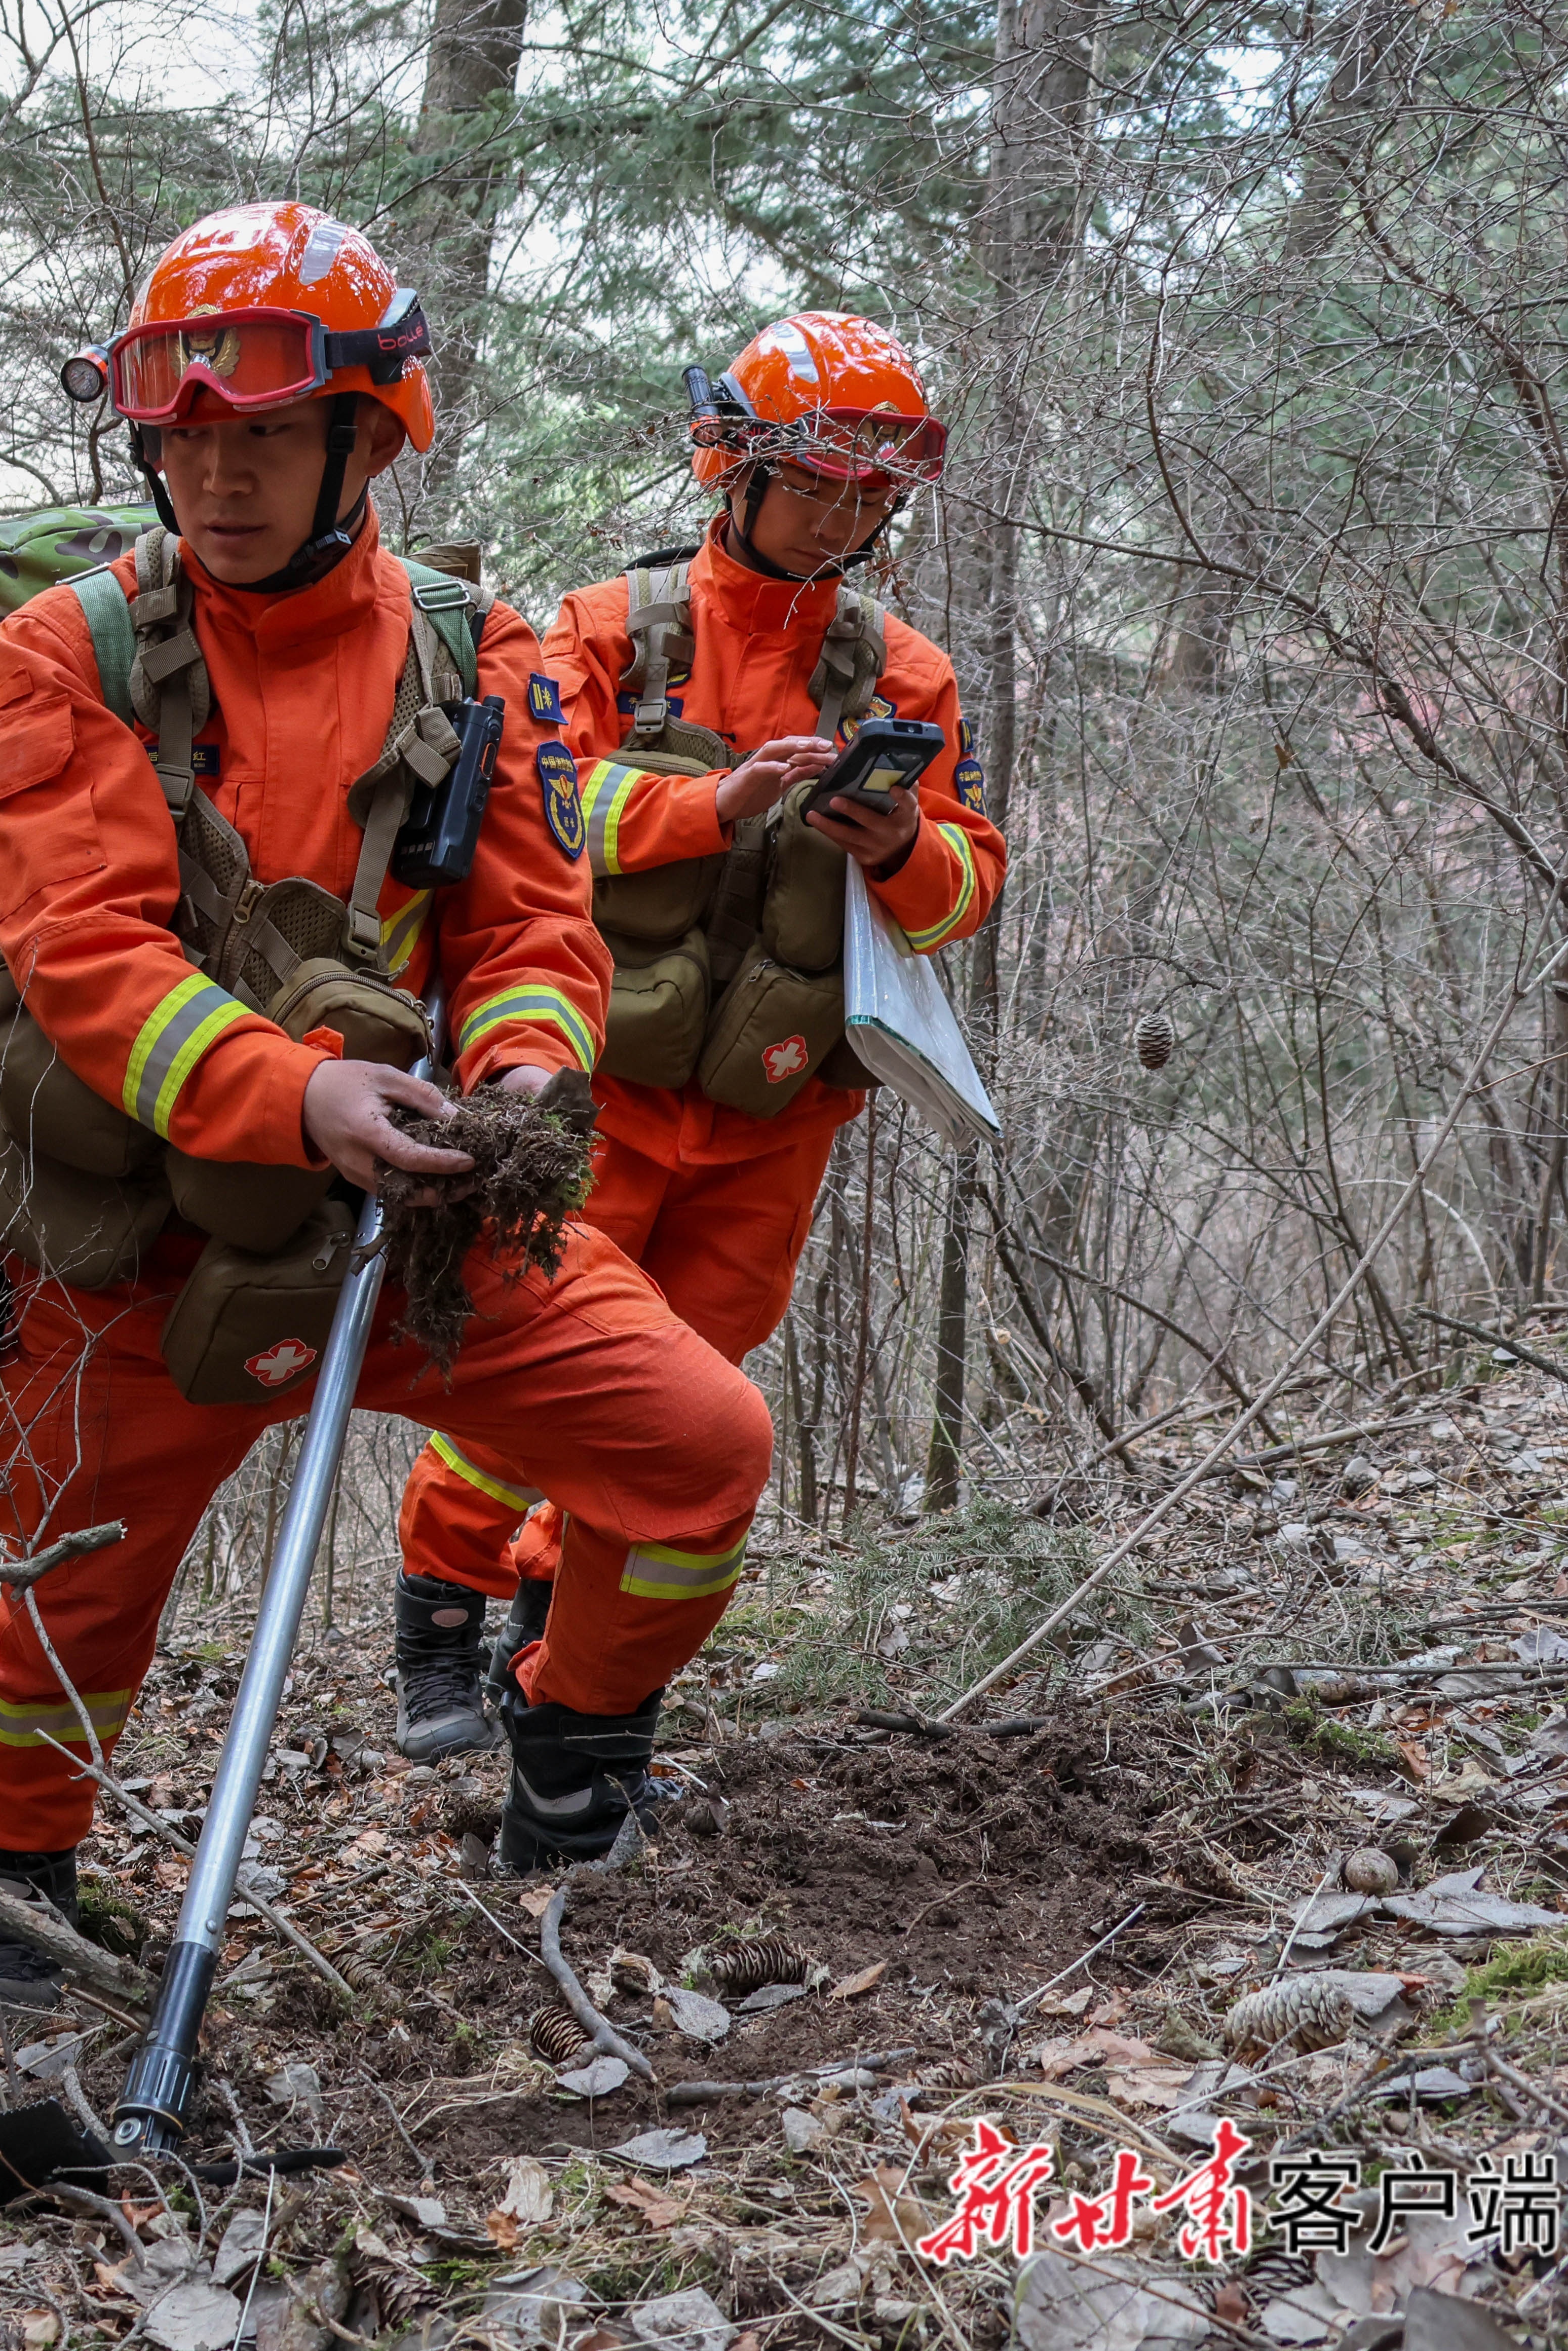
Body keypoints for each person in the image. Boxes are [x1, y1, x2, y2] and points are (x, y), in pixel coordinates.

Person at [0, 201, 778, 2006]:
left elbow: (537, 923)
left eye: (261, 437)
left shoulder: (488, 659)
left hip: (420, 1206)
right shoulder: (67, 655)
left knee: (701, 1452)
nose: (216, 477)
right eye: (186, 439)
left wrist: (532, 1068)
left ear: (365, 437)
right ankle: (9, 1891)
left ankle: (571, 1753)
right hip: (144, 1241)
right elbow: (84, 952)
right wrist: (293, 1094)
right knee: (75, 1601)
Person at [388, 310, 1007, 1760]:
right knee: (519, 1371)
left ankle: (562, 1669)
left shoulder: (907, 673)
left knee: (684, 1401)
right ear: (729, 463)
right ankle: (440, 1616)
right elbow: (532, 830)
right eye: (817, 480)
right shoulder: (602, 632)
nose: (845, 514)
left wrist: (900, 841)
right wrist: (709, 807)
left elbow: (966, 885)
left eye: (872, 492)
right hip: (595, 1090)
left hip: (776, 1116)